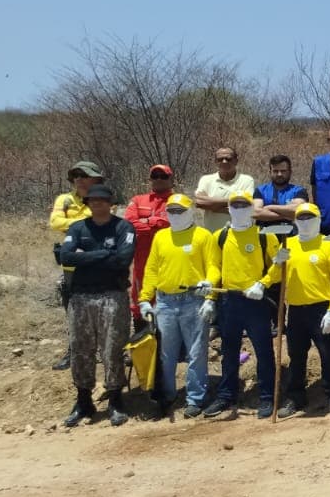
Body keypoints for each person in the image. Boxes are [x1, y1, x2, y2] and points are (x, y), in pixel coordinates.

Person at [58, 183, 135, 427]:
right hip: (80, 297)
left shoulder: (123, 227)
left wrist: (86, 257)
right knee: (81, 349)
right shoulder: (78, 227)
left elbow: (123, 259)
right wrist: (104, 254)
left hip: (112, 294)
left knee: (112, 347)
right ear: (87, 203)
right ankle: (83, 401)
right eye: (92, 200)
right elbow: (66, 256)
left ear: (110, 202)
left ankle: (115, 399)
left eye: (101, 199)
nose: (97, 203)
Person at [137, 192, 219, 418]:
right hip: (165, 302)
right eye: (171, 211)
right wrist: (145, 298)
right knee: (165, 353)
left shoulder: (202, 236)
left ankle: (195, 398)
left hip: (193, 300)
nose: (175, 215)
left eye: (180, 211)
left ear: (191, 211)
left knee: (196, 352)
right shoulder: (161, 237)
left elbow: (213, 266)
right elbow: (152, 269)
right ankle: (166, 396)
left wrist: (209, 290)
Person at [206, 191, 281, 420]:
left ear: (251, 209)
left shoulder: (264, 236)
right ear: (228, 209)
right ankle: (226, 394)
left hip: (256, 301)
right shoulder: (219, 236)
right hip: (229, 300)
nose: (239, 209)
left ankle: (267, 396)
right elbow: (214, 267)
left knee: (264, 351)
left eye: (244, 205)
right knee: (229, 351)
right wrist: (209, 292)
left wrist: (262, 283)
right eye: (235, 205)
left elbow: (279, 266)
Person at [274, 201, 330, 417]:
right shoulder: (288, 244)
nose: (305, 222)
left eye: (309, 218)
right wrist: (276, 264)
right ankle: (295, 397)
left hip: (321, 309)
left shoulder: (327, 245)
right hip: (295, 309)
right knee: (296, 355)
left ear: (318, 220)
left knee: (328, 355)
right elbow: (277, 276)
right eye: (301, 218)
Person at [49, 160, 104, 369]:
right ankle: (74, 351)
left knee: (103, 308)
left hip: (98, 263)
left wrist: (74, 224)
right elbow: (55, 222)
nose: (79, 180)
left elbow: (103, 222)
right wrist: (84, 222)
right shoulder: (64, 199)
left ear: (96, 178)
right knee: (72, 310)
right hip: (72, 264)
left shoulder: (103, 197)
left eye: (84, 175)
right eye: (76, 176)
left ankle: (109, 350)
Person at [122, 164, 175, 311]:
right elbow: (130, 223)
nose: (158, 179)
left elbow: (173, 223)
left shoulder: (177, 200)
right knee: (141, 292)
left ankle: (164, 331)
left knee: (168, 293)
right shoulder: (138, 200)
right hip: (142, 254)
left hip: (169, 253)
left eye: (163, 176)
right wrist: (158, 223)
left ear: (171, 179)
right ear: (149, 179)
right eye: (154, 176)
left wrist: (148, 220)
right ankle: (141, 327)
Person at [194, 147, 256, 233]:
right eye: (220, 159)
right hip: (212, 235)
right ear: (215, 161)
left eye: (228, 159)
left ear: (236, 161)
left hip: (239, 234)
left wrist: (213, 207)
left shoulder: (246, 180)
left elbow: (246, 205)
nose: (224, 161)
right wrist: (234, 204)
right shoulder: (206, 180)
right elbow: (199, 202)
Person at [253, 154, 308, 230]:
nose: (279, 174)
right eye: (275, 171)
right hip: (265, 235)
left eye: (283, 171)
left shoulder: (299, 191)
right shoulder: (260, 190)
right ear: (270, 172)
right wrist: (287, 215)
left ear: (290, 172)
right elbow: (256, 212)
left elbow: (297, 210)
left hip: (291, 235)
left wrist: (269, 207)